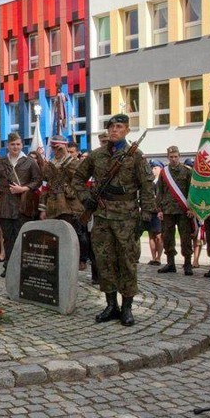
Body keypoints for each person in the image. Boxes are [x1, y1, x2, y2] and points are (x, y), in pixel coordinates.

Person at [74, 114, 155, 327]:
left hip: (127, 217)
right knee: (103, 260)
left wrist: (146, 216)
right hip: (101, 217)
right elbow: (77, 179)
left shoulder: (136, 156)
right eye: (111, 127)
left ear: (127, 130)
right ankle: (111, 305)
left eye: (119, 127)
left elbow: (147, 188)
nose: (114, 130)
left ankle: (127, 307)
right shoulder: (96, 155)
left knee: (127, 262)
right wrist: (87, 200)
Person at [0, 132, 41, 278]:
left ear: (22, 145)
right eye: (12, 144)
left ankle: (23, 268)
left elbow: (38, 181)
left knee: (22, 237)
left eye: (18, 144)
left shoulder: (30, 162)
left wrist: (23, 188)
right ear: (7, 146)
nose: (15, 147)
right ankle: (9, 266)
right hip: (4, 204)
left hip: (23, 205)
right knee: (8, 238)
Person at [38, 135, 89, 270]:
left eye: (59, 147)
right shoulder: (48, 165)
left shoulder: (74, 162)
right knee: (53, 235)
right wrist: (42, 208)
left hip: (70, 205)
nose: (56, 150)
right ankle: (57, 261)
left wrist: (66, 156)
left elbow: (80, 177)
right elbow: (44, 187)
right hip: (52, 205)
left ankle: (77, 260)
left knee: (74, 234)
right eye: (53, 148)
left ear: (65, 147)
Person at [156, 146, 194, 275]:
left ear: (180, 156)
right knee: (167, 237)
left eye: (176, 156)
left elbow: (192, 191)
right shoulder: (164, 172)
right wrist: (159, 209)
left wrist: (191, 208)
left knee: (186, 238)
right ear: (168, 157)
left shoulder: (187, 171)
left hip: (183, 211)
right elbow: (159, 191)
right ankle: (170, 263)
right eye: (171, 157)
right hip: (167, 210)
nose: (173, 159)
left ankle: (187, 263)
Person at [147, 160, 164, 265]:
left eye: (155, 168)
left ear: (160, 168)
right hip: (150, 211)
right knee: (151, 235)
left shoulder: (162, 181)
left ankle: (158, 257)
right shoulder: (149, 181)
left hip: (159, 211)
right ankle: (153, 257)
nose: (153, 170)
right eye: (152, 168)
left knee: (159, 236)